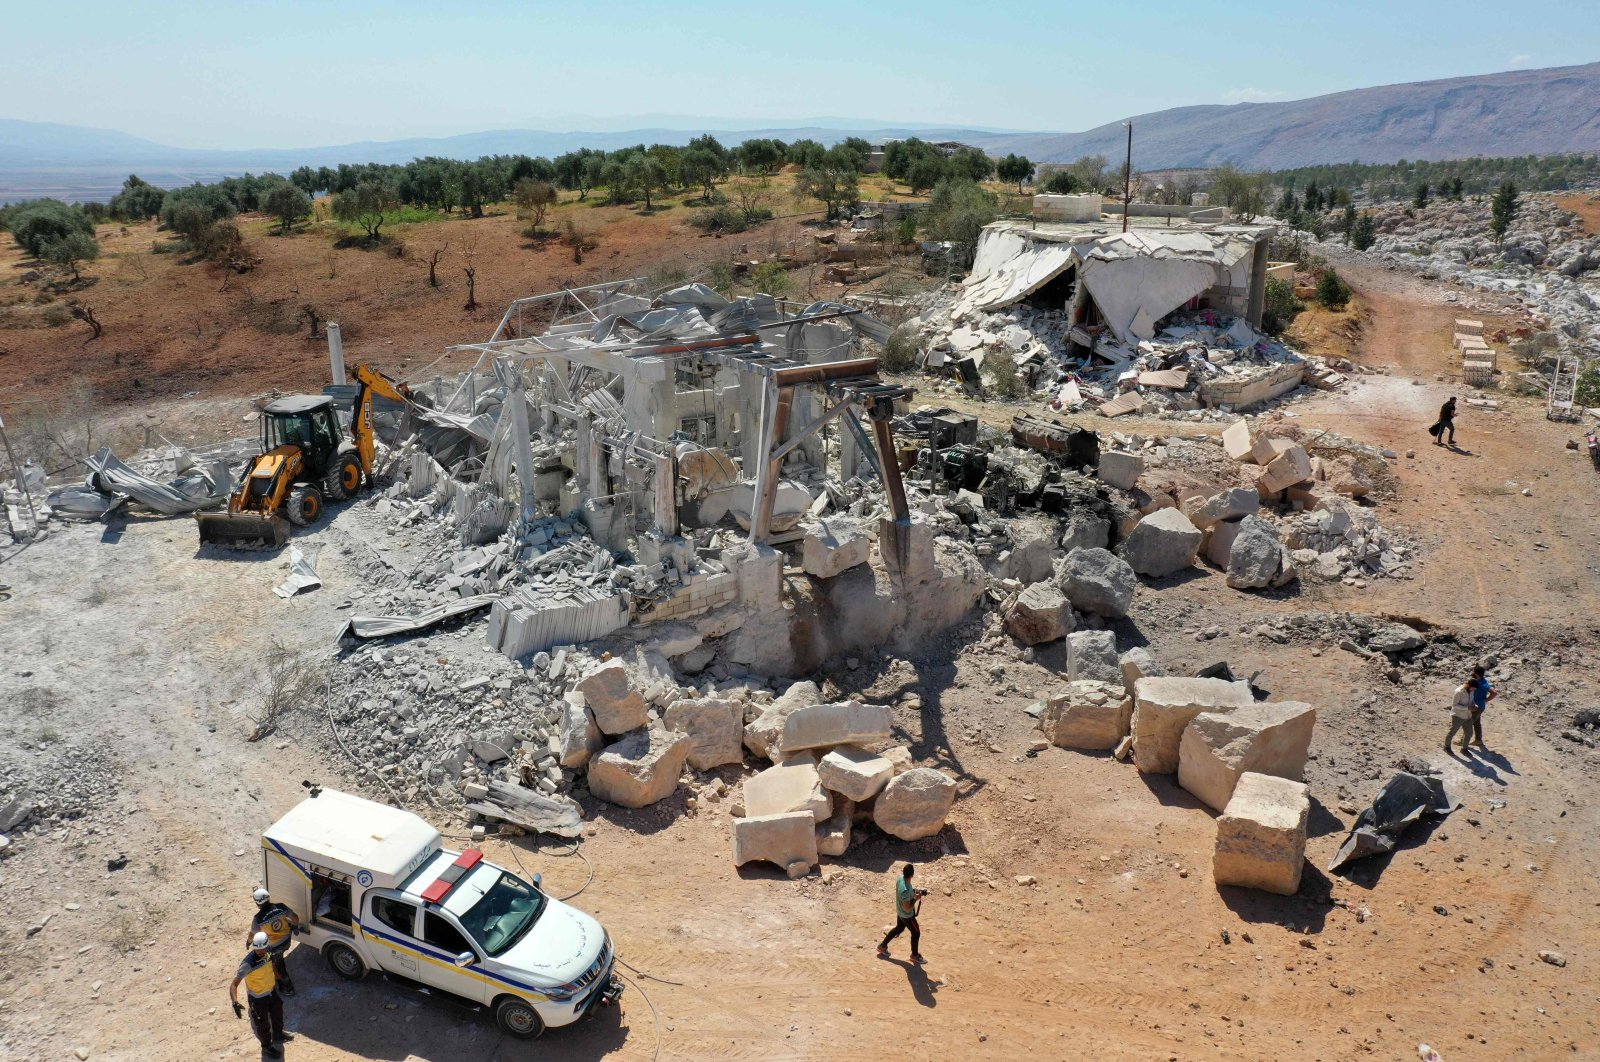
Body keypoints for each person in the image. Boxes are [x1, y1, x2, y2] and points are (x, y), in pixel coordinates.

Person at [230, 931, 294, 1059]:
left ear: (266, 946)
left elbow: (271, 963)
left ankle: (278, 1034)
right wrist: (235, 1002)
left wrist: (277, 976)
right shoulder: (248, 964)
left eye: (262, 949)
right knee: (262, 1024)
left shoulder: (268, 951)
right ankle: (267, 1048)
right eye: (257, 950)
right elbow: (234, 984)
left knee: (278, 1014)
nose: (260, 952)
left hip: (271, 992)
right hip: (257, 999)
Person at [248, 887, 301, 995]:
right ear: (268, 898)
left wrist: (248, 942)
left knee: (278, 967)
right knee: (278, 960)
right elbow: (295, 918)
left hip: (274, 948)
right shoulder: (281, 906)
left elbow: (253, 935)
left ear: (257, 903)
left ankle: (288, 989)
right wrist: (294, 927)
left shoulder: (258, 918)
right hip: (287, 941)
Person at [877, 862, 927, 964]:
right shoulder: (905, 890)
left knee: (898, 928)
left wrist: (914, 891)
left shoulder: (900, 879)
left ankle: (882, 946)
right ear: (912, 875)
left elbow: (906, 892)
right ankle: (915, 955)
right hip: (907, 915)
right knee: (916, 933)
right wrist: (916, 898)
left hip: (900, 911)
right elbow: (908, 908)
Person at [1446, 678, 1478, 755]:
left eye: (1474, 689)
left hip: (1468, 716)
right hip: (1458, 716)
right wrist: (1467, 708)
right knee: (1452, 732)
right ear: (1468, 685)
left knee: (1469, 733)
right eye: (1473, 688)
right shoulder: (1458, 692)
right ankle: (1447, 747)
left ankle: (1464, 748)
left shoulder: (1471, 691)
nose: (1473, 690)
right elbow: (1454, 705)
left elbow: (1472, 700)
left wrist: (1474, 705)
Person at [1469, 665, 1497, 750]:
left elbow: (1494, 692)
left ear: (1476, 673)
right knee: (1476, 723)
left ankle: (1463, 741)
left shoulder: (1482, 683)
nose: (1472, 673)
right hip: (1478, 706)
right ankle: (1478, 740)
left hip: (1478, 707)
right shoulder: (1480, 680)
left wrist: (1486, 700)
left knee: (1468, 724)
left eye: (1473, 671)